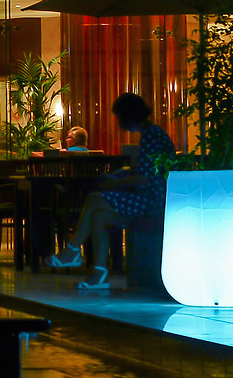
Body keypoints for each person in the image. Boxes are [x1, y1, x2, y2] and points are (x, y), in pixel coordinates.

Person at [51, 93, 173, 290]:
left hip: (151, 200)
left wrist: (114, 183)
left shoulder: (151, 136)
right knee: (99, 216)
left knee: (94, 198)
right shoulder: (152, 134)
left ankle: (73, 250)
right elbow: (143, 171)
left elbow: (145, 178)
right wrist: (118, 176)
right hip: (150, 197)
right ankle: (98, 273)